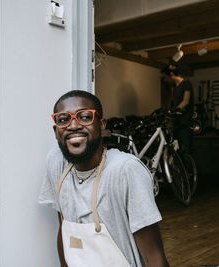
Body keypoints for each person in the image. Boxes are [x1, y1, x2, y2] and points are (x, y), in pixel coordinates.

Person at [38, 90, 169, 267]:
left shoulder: (125, 170)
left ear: (101, 125)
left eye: (85, 117)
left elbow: (153, 257)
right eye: (63, 119)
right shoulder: (57, 163)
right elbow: (65, 229)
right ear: (56, 131)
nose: (73, 125)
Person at [161, 64, 194, 153]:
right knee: (177, 151)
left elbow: (185, 101)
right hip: (177, 124)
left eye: (165, 77)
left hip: (185, 124)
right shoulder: (175, 87)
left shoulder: (186, 83)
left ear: (171, 74)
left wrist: (173, 111)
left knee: (186, 152)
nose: (165, 80)